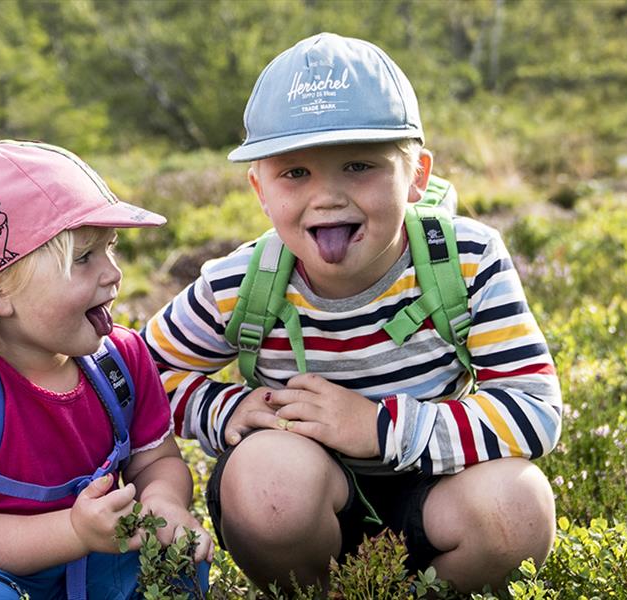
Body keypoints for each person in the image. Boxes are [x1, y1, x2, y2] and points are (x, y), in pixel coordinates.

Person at [141, 33, 560, 593]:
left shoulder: (463, 260)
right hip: (305, 507)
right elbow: (140, 378)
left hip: (438, 497)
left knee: (519, 506)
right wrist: (228, 410)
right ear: (260, 190)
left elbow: (534, 410)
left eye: (358, 165)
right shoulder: (239, 284)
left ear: (416, 177)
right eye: (296, 173)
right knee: (266, 480)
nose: (328, 197)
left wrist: (379, 427)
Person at [0, 141, 209, 599]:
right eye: (83, 258)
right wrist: (73, 532)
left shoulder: (122, 359)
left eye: (109, 249)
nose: (113, 274)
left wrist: (163, 501)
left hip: (89, 559)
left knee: (174, 560)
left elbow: (158, 462)